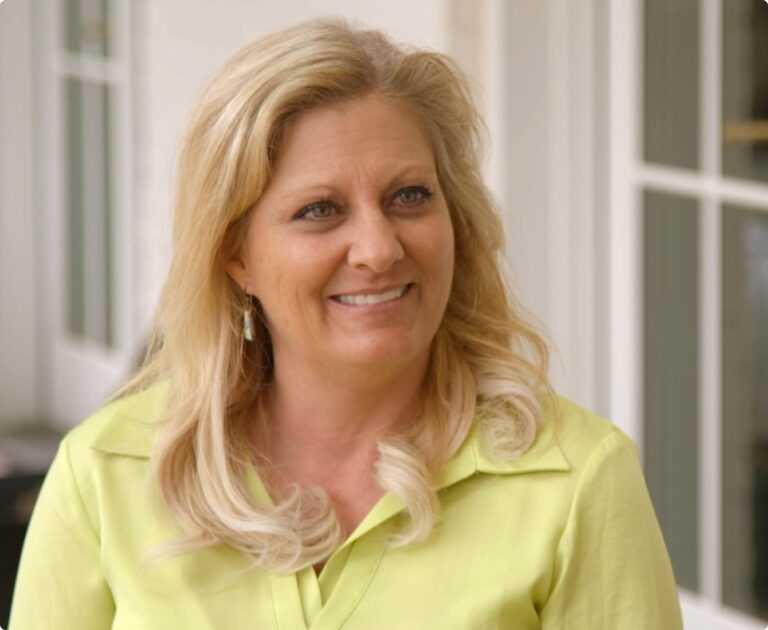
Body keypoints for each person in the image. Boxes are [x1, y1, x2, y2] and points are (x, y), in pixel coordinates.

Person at [10, 19, 683, 630]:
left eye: (409, 197)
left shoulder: (577, 480)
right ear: (236, 254)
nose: (379, 248)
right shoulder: (104, 473)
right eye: (320, 210)